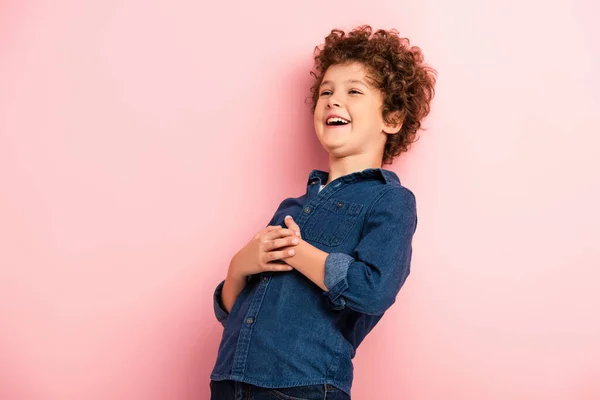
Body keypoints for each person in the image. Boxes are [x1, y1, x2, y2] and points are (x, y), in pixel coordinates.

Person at [209, 25, 436, 400]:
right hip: (230, 381)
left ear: (391, 118)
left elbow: (373, 290)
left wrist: (296, 252)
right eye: (326, 92)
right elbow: (241, 312)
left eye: (354, 91)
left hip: (302, 386)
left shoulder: (390, 201)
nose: (333, 100)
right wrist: (238, 268)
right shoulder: (292, 208)